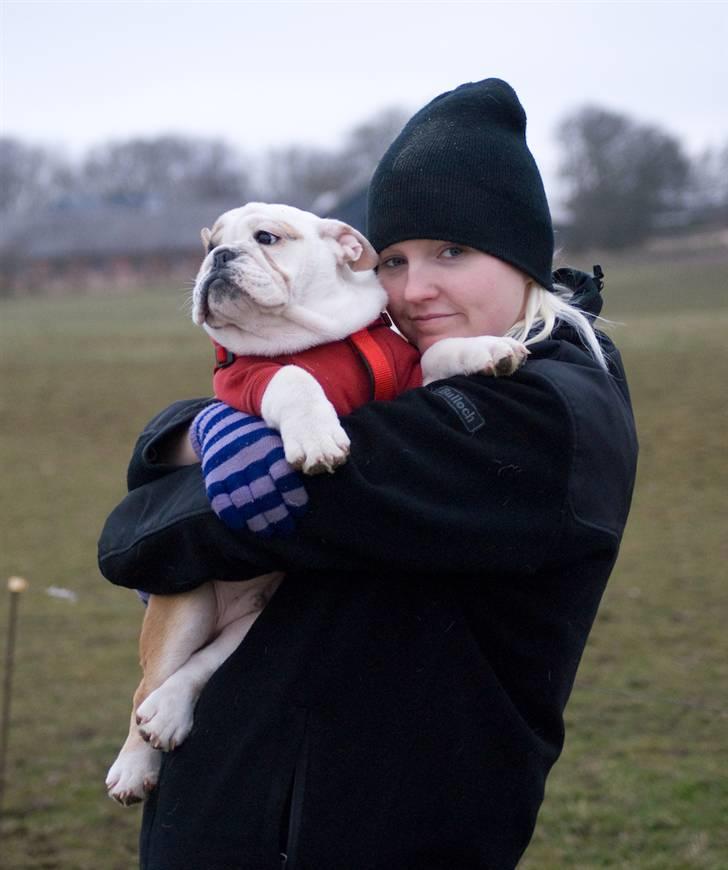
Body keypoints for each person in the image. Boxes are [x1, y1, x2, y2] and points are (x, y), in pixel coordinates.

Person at [98, 78, 638, 870]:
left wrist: (169, 454)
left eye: (452, 252)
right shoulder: (407, 368)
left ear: (521, 255)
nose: (415, 289)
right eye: (395, 259)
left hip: (370, 830)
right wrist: (186, 432)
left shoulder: (543, 412)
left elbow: (149, 537)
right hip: (233, 804)